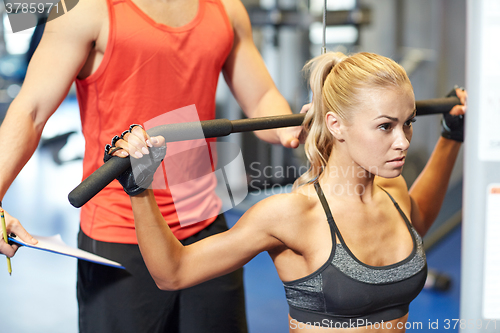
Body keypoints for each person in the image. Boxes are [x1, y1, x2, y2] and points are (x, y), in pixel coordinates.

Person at [0, 0, 305, 331]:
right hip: (120, 232)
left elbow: (261, 98)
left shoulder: (226, 8)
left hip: (204, 223)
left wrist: (290, 127)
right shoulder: (86, 8)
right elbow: (30, 112)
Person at [108, 51, 466, 332]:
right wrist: (140, 189)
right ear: (336, 124)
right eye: (385, 126)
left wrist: (451, 137)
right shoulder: (291, 215)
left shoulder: (392, 190)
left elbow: (415, 219)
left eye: (408, 123)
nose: (402, 141)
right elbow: (174, 273)